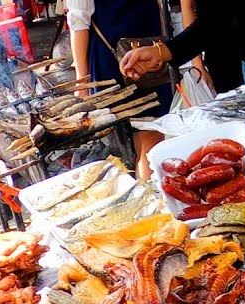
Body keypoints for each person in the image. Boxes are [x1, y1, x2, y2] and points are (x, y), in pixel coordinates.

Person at [66, 0, 172, 178]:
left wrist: (162, 45)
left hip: (149, 52)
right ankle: (150, 194)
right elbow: (79, 22)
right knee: (147, 137)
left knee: (150, 134)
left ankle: (148, 192)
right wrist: (82, 83)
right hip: (116, 58)